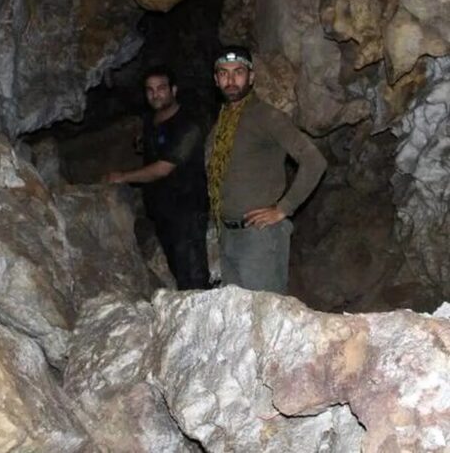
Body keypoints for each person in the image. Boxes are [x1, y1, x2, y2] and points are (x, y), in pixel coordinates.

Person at [207, 45, 327, 294]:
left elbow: (314, 161)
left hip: (259, 238)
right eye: (224, 73)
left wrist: (284, 208)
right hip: (227, 235)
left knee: (264, 319)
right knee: (238, 320)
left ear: (251, 77)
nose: (231, 80)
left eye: (238, 72)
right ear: (216, 79)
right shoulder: (221, 125)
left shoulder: (265, 117)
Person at [106, 65, 209, 290]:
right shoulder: (153, 120)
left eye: (161, 88)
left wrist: (123, 177)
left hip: (187, 210)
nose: (155, 94)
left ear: (173, 90)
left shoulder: (188, 125)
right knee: (177, 268)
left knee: (192, 274)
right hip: (164, 211)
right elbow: (155, 141)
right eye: (150, 90)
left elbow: (163, 168)